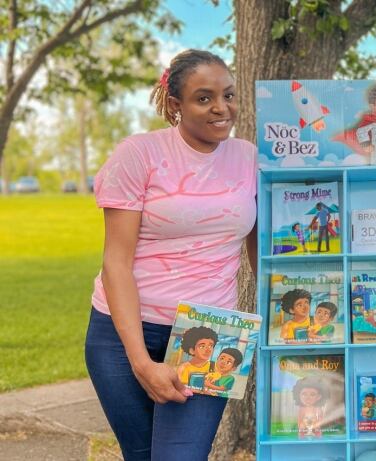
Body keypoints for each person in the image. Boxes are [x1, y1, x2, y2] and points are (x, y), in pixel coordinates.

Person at [83, 49, 257, 460]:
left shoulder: (250, 158)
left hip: (213, 332)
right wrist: (142, 362)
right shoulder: (139, 154)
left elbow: (261, 250)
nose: (221, 108)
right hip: (123, 333)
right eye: (204, 98)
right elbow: (116, 262)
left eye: (229, 95)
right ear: (176, 104)